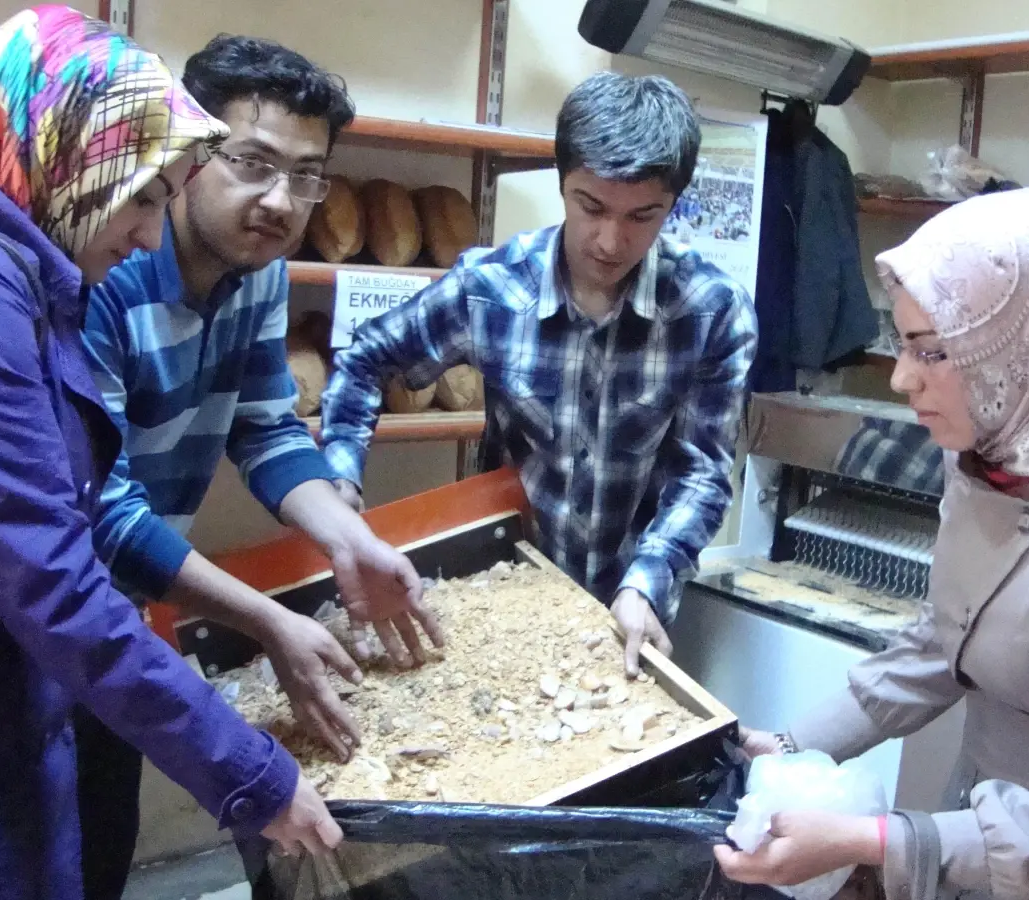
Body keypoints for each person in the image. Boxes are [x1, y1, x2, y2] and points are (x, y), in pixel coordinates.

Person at [0, 8, 341, 900]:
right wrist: (252, 773)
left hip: (25, 682)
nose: (150, 229)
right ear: (70, 148)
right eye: (143, 192)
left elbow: (265, 427)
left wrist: (346, 536)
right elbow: (55, 569)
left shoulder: (24, 264)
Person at [81, 33, 443, 899]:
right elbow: (102, 507)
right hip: (41, 610)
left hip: (120, 618)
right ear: (190, 153)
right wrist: (267, 623)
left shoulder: (258, 274)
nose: (281, 201)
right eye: (252, 162)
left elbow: (268, 432)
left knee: (99, 840)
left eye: (307, 175)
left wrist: (348, 541)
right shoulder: (108, 271)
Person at [718, 182, 1029, 899]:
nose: (903, 379)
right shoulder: (990, 452)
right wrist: (790, 746)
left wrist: (870, 842)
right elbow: (945, 639)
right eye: (902, 346)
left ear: (1026, 345)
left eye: (933, 353)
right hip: (984, 824)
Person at [321, 71, 757, 677]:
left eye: (642, 216)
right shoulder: (491, 288)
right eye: (591, 206)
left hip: (626, 607)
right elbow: (364, 360)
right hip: (503, 595)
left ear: (673, 204)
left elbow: (703, 473)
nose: (610, 240)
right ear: (562, 184)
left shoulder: (710, 310)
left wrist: (649, 581)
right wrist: (339, 483)